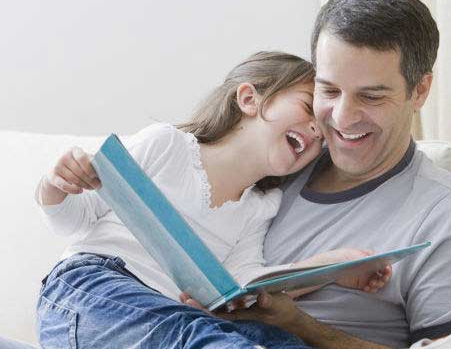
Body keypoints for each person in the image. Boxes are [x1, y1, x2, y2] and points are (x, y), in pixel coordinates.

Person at [184, 0, 451, 348]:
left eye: (371, 96)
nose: (343, 118)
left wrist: (298, 324)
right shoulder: (278, 165)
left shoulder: (448, 220)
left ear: (420, 90)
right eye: (329, 90)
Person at [35, 51, 391, 348]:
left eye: (323, 137)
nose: (316, 131)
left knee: (276, 340)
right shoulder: (168, 145)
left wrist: (332, 269)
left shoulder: (260, 207)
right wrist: (56, 183)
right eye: (306, 107)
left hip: (168, 316)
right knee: (200, 337)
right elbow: (77, 221)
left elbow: (244, 285)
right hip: (89, 290)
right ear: (249, 99)